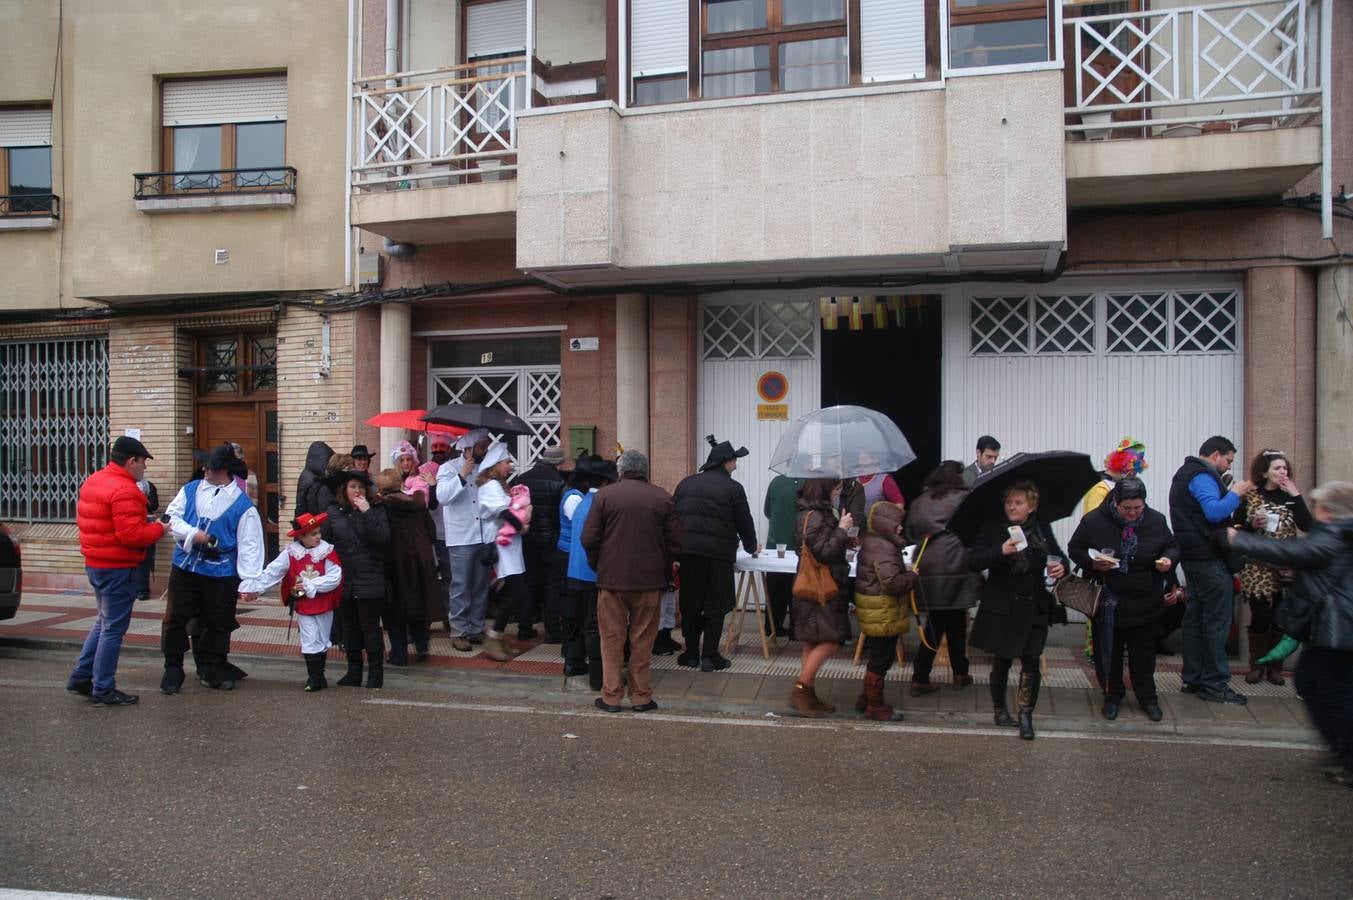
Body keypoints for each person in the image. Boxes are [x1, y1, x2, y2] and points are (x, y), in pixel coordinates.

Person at [1228, 482, 1353, 787]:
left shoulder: (1336, 533)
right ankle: (1340, 748)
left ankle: (1347, 756)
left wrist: (1237, 538)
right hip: (1330, 628)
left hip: (1338, 630)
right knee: (1311, 683)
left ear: (1327, 511)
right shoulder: (1342, 534)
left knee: (1333, 693)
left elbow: (1294, 549)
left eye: (1318, 506)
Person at [66, 436, 169, 706]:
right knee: (112, 628)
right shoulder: (126, 489)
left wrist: (143, 520)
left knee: (103, 621)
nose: (144, 468)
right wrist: (159, 528)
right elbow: (132, 536)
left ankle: (81, 676)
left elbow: (109, 521)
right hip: (118, 567)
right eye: (143, 462)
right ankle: (103, 688)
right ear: (131, 460)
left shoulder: (95, 480)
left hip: (97, 563)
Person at [1068, 477, 1180, 722]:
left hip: (1145, 599)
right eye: (1126, 508)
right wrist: (1092, 563)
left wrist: (1168, 561)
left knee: (1144, 655)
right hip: (1109, 600)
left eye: (1137, 508)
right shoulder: (1095, 521)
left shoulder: (1156, 520)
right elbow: (1075, 548)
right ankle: (1111, 695)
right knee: (1109, 653)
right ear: (1115, 502)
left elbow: (1171, 546)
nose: (1132, 513)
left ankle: (1147, 698)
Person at [159, 445, 266, 695]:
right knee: (175, 618)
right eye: (205, 464)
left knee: (217, 622)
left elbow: (250, 545)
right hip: (185, 567)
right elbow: (170, 518)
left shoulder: (243, 506)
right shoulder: (190, 489)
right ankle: (172, 668)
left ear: (224, 469)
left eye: (210, 465)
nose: (204, 469)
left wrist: (250, 582)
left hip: (220, 573)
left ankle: (211, 667)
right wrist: (193, 535)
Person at [581, 449, 681, 713]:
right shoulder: (662, 497)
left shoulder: (605, 495)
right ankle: (641, 696)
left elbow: (588, 538)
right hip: (649, 582)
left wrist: (598, 564)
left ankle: (612, 696)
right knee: (643, 639)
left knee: (611, 639)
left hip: (612, 580)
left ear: (621, 471)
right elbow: (675, 542)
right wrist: (663, 567)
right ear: (645, 471)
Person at [967, 480, 1067, 740]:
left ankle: (1025, 715)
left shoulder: (1041, 527)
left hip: (1034, 604)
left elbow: (1057, 555)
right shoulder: (992, 527)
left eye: (1019, 502)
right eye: (1009, 502)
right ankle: (1000, 709)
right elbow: (973, 560)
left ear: (1031, 506)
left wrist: (1060, 566)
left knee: (1032, 660)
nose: (1012, 506)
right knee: (1002, 661)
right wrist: (1000, 550)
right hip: (1003, 605)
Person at [1169, 435, 1253, 704]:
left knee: (1195, 619)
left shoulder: (1186, 474)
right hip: (1208, 559)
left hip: (1193, 557)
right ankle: (1215, 684)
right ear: (1216, 454)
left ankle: (1193, 679)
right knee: (1217, 622)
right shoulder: (1201, 475)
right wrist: (1235, 495)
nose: (1229, 466)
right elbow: (1214, 512)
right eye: (1228, 460)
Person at [672, 435, 759, 672]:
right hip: (719, 556)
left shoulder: (685, 484)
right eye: (734, 461)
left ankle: (690, 653)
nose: (736, 465)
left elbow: (673, 518)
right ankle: (710, 656)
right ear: (726, 462)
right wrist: (752, 547)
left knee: (690, 603)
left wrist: (674, 552)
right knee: (716, 604)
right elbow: (745, 521)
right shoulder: (733, 488)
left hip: (689, 554)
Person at [1236, 449, 1313, 686]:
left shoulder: (1289, 496)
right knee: (1261, 616)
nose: (1282, 472)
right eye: (1277, 468)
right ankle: (1257, 664)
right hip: (1257, 565)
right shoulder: (1251, 496)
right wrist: (1251, 524)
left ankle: (1275, 667)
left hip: (1285, 566)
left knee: (1281, 616)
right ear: (1264, 472)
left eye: (1284, 468)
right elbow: (1235, 527)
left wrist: (1296, 495)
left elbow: (1307, 525)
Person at [241, 512, 343, 691]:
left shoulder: (327, 551)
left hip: (323, 603)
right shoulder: (291, 553)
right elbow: (273, 571)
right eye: (313, 534)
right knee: (309, 638)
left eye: (319, 532)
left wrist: (310, 584)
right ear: (301, 536)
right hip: (304, 604)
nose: (318, 537)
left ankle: (320, 676)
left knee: (322, 638)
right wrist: (253, 588)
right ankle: (314, 677)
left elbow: (334, 577)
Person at [905, 461, 981, 694]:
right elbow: (978, 530)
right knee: (949, 622)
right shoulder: (968, 499)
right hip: (960, 565)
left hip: (929, 567)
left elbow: (911, 533)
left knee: (945, 621)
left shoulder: (920, 502)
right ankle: (939, 675)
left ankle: (946, 673)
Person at [787, 478, 854, 717]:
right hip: (821, 587)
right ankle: (801, 689)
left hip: (816, 585)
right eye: (835, 489)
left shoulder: (811, 513)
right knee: (831, 639)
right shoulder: (816, 515)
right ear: (825, 489)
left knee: (812, 640)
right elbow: (824, 551)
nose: (837, 493)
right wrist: (842, 529)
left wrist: (841, 533)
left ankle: (809, 694)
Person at [325, 468, 391, 689]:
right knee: (349, 627)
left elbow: (382, 537)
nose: (357, 490)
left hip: (368, 576)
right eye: (353, 486)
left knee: (370, 628)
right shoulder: (334, 511)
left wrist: (367, 512)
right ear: (345, 489)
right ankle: (353, 671)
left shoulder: (377, 509)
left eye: (361, 487)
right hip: (344, 577)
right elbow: (326, 542)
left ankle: (375, 674)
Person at [853, 500, 916, 721]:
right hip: (882, 610)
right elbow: (891, 582)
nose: (900, 527)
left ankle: (866, 697)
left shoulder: (872, 542)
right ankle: (875, 705)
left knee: (877, 656)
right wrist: (911, 577)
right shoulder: (885, 547)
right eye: (897, 523)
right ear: (885, 523)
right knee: (881, 658)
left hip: (874, 609)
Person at [373, 468, 441, 665]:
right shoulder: (418, 504)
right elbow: (431, 532)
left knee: (394, 611)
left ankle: (399, 654)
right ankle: (421, 646)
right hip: (420, 561)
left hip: (394, 563)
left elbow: (381, 535)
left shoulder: (382, 506)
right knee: (417, 605)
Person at [560, 455, 617, 687]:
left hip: (575, 571)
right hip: (591, 572)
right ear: (604, 482)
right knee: (595, 625)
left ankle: (574, 662)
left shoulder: (582, 500)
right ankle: (597, 675)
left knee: (576, 620)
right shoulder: (598, 503)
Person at [436, 428, 492, 651]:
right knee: (460, 585)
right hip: (460, 536)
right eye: (481, 446)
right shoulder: (447, 468)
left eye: (486, 446)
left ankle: (476, 627)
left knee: (480, 584)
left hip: (483, 534)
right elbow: (443, 497)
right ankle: (459, 630)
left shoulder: (485, 469)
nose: (485, 450)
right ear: (468, 448)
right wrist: (462, 474)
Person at [478, 442, 529, 662]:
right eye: (507, 461)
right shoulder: (490, 486)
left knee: (515, 591)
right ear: (496, 464)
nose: (510, 465)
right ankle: (494, 635)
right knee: (517, 591)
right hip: (502, 545)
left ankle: (497, 635)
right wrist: (520, 526)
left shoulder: (499, 485)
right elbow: (502, 511)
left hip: (510, 545)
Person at [511, 445, 566, 643]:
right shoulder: (559, 482)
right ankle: (552, 630)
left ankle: (524, 627)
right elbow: (560, 515)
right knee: (552, 585)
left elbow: (515, 508)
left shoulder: (522, 478)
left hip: (526, 539)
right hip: (551, 540)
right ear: (559, 462)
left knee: (530, 582)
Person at [762, 474, 802, 639]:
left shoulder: (775, 482)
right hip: (798, 543)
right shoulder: (808, 483)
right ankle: (796, 630)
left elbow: (767, 511)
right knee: (798, 588)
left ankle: (772, 626)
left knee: (774, 589)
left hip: (775, 544)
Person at [424, 435, 455, 631]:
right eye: (436, 453)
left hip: (447, 532)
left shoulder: (451, 471)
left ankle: (447, 615)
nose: (438, 456)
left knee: (448, 577)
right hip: (432, 533)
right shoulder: (424, 471)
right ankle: (433, 616)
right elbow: (431, 504)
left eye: (441, 453)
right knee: (434, 577)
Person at [132, 474, 160, 602]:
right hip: (131, 526)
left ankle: (142, 590)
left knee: (145, 558)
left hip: (146, 525)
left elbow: (154, 505)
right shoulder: (125, 487)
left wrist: (143, 500)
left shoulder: (149, 486)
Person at [294, 441, 335, 516]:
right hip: (316, 521)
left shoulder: (306, 474)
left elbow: (301, 504)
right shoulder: (317, 479)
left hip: (306, 520)